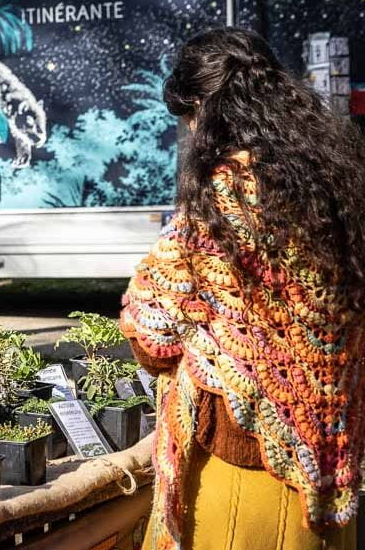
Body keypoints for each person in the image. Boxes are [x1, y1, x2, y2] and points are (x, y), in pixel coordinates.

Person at [120, 27, 365, 549]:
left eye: (188, 118)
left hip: (238, 476)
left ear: (206, 111)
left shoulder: (221, 202)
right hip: (325, 473)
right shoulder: (338, 186)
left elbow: (152, 335)